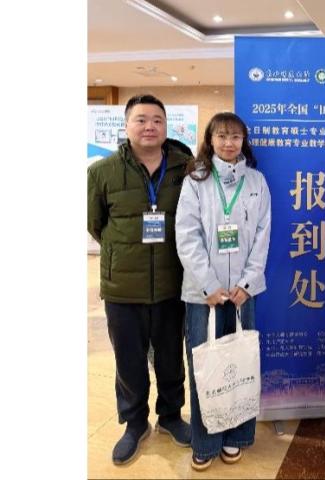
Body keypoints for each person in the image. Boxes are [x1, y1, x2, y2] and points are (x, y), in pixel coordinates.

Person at [87, 94, 193, 465]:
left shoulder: (185, 168)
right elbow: (95, 223)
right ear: (127, 125)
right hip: (123, 287)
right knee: (129, 360)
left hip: (172, 283)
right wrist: (123, 252)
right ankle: (134, 423)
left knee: (170, 357)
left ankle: (170, 416)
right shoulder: (102, 172)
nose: (150, 127)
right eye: (141, 119)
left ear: (166, 126)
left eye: (157, 120)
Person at [175, 112, 271, 471]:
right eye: (222, 136)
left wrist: (247, 283)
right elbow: (187, 237)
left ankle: (237, 436)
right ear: (210, 140)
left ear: (243, 141)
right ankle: (205, 442)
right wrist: (209, 285)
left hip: (243, 293)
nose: (229, 143)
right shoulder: (196, 180)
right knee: (205, 367)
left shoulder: (257, 181)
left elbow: (263, 234)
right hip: (204, 295)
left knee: (240, 365)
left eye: (235, 137)